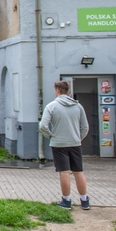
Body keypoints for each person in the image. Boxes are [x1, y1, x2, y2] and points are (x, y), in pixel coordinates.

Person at [39, 80, 91, 210]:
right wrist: (77, 138)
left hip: (58, 144)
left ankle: (66, 200)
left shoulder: (51, 106)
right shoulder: (78, 106)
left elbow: (43, 126)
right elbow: (85, 127)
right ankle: (84, 200)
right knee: (78, 171)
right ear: (68, 91)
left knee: (64, 172)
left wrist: (51, 136)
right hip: (75, 143)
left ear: (57, 90)